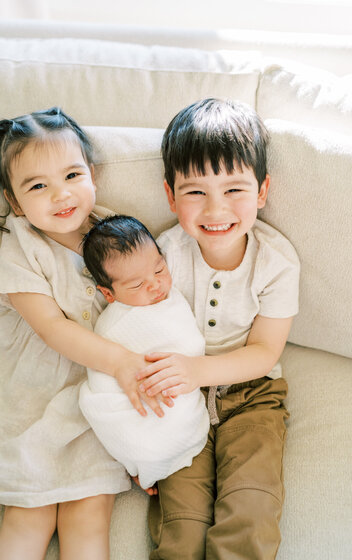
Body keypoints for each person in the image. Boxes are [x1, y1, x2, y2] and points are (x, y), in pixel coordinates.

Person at [0, 107, 169, 560]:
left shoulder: (119, 233)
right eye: (38, 186)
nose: (61, 194)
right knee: (28, 515)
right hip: (32, 395)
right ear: (16, 202)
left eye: (72, 175)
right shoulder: (23, 247)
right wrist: (121, 362)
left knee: (88, 514)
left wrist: (145, 448)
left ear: (93, 174)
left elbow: (151, 313)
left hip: (95, 395)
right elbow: (52, 327)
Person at [137, 98, 300, 559]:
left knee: (251, 508)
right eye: (195, 192)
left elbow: (265, 351)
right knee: (182, 527)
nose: (215, 209)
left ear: (262, 191)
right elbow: (138, 334)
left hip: (253, 396)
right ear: (170, 196)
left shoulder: (277, 263)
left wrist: (198, 371)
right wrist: (138, 446)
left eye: (234, 190)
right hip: (178, 400)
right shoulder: (161, 256)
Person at [79, 214, 210, 490]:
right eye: (137, 285)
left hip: (181, 402)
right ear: (109, 294)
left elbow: (190, 346)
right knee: (139, 436)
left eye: (159, 269)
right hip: (131, 409)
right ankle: (145, 463)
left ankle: (153, 462)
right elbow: (102, 379)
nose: (154, 285)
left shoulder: (171, 298)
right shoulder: (113, 326)